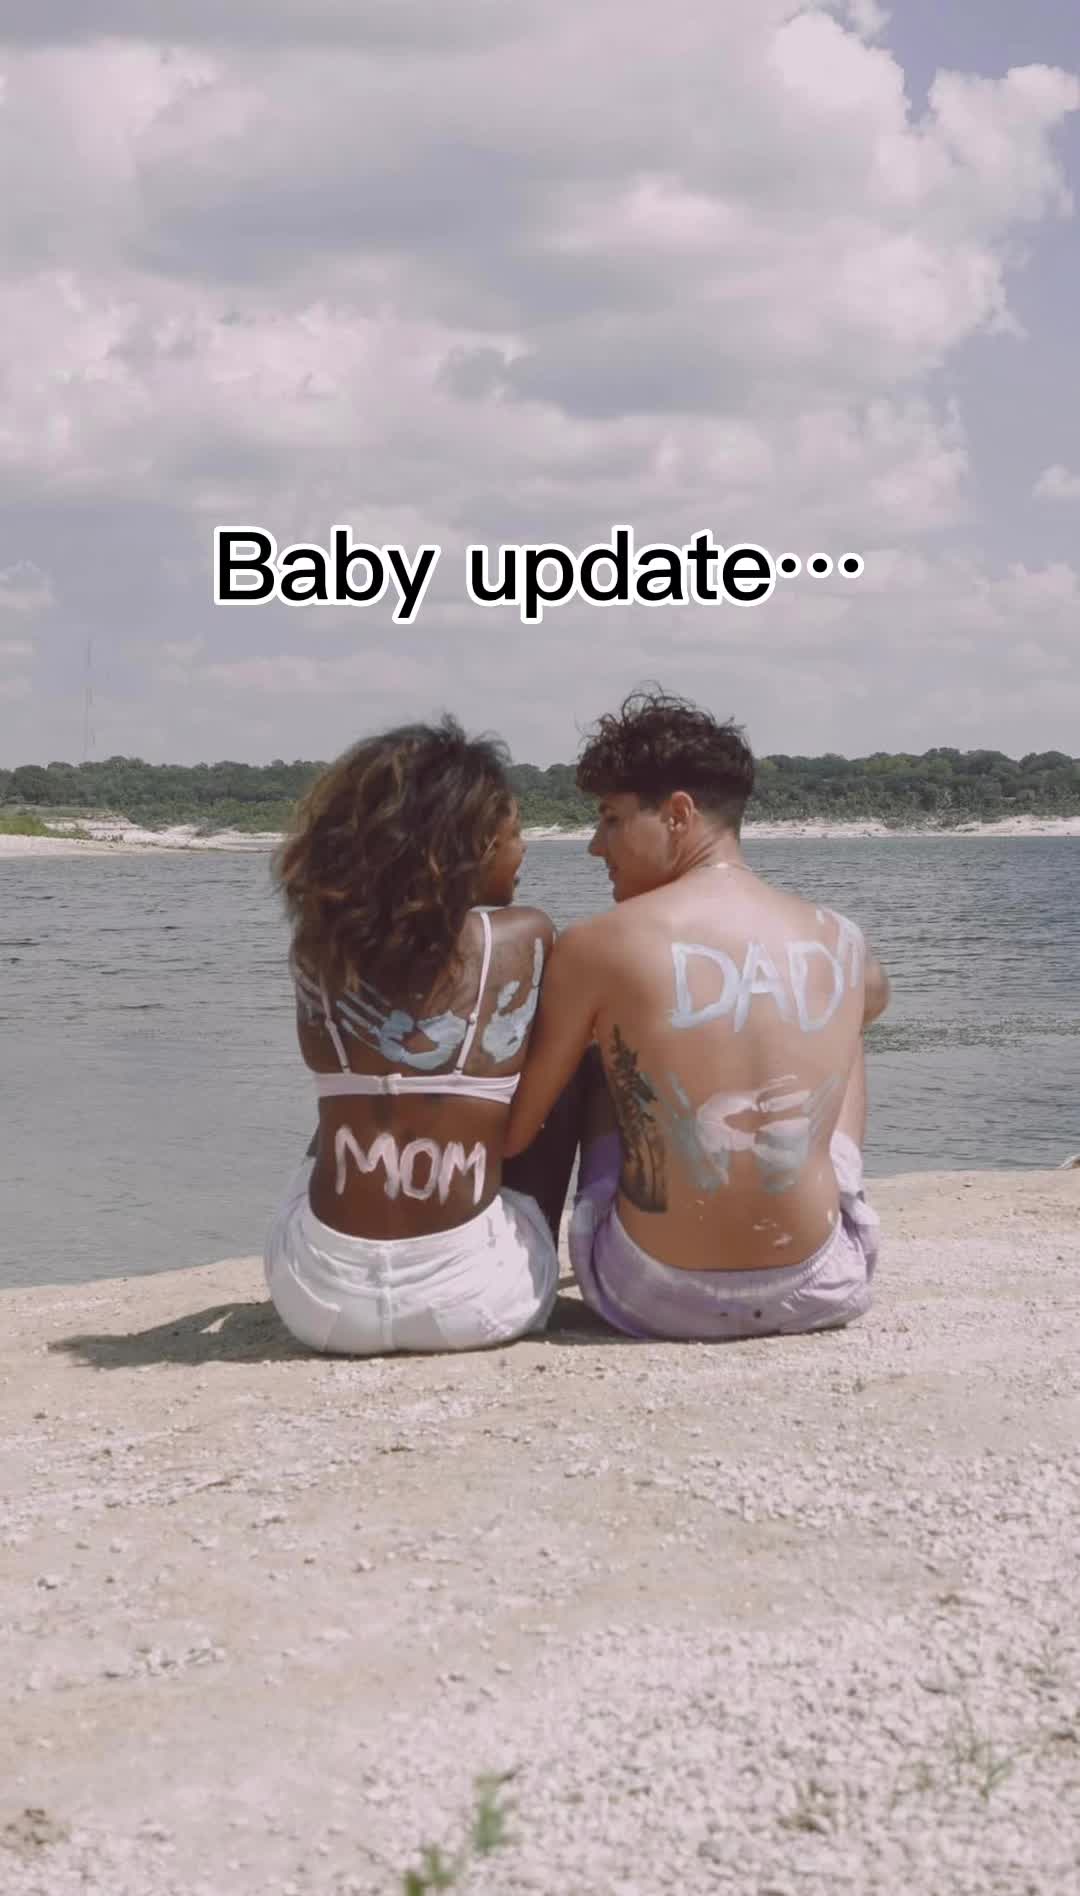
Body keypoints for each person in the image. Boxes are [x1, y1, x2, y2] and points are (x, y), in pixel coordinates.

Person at [504, 689, 888, 1341]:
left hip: (653, 1291)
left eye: (611, 819)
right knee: (842, 1020)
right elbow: (873, 997)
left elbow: (518, 1135)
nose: (595, 846)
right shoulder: (840, 938)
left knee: (602, 1047)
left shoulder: (597, 944)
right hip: (820, 1285)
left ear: (679, 814)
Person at [264, 717, 570, 1355]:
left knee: (351, 1097)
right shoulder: (521, 936)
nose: (523, 851)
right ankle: (532, 1247)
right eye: (516, 833)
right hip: (476, 1301)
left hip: (317, 1302)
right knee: (570, 1065)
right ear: (474, 844)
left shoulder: (318, 950)